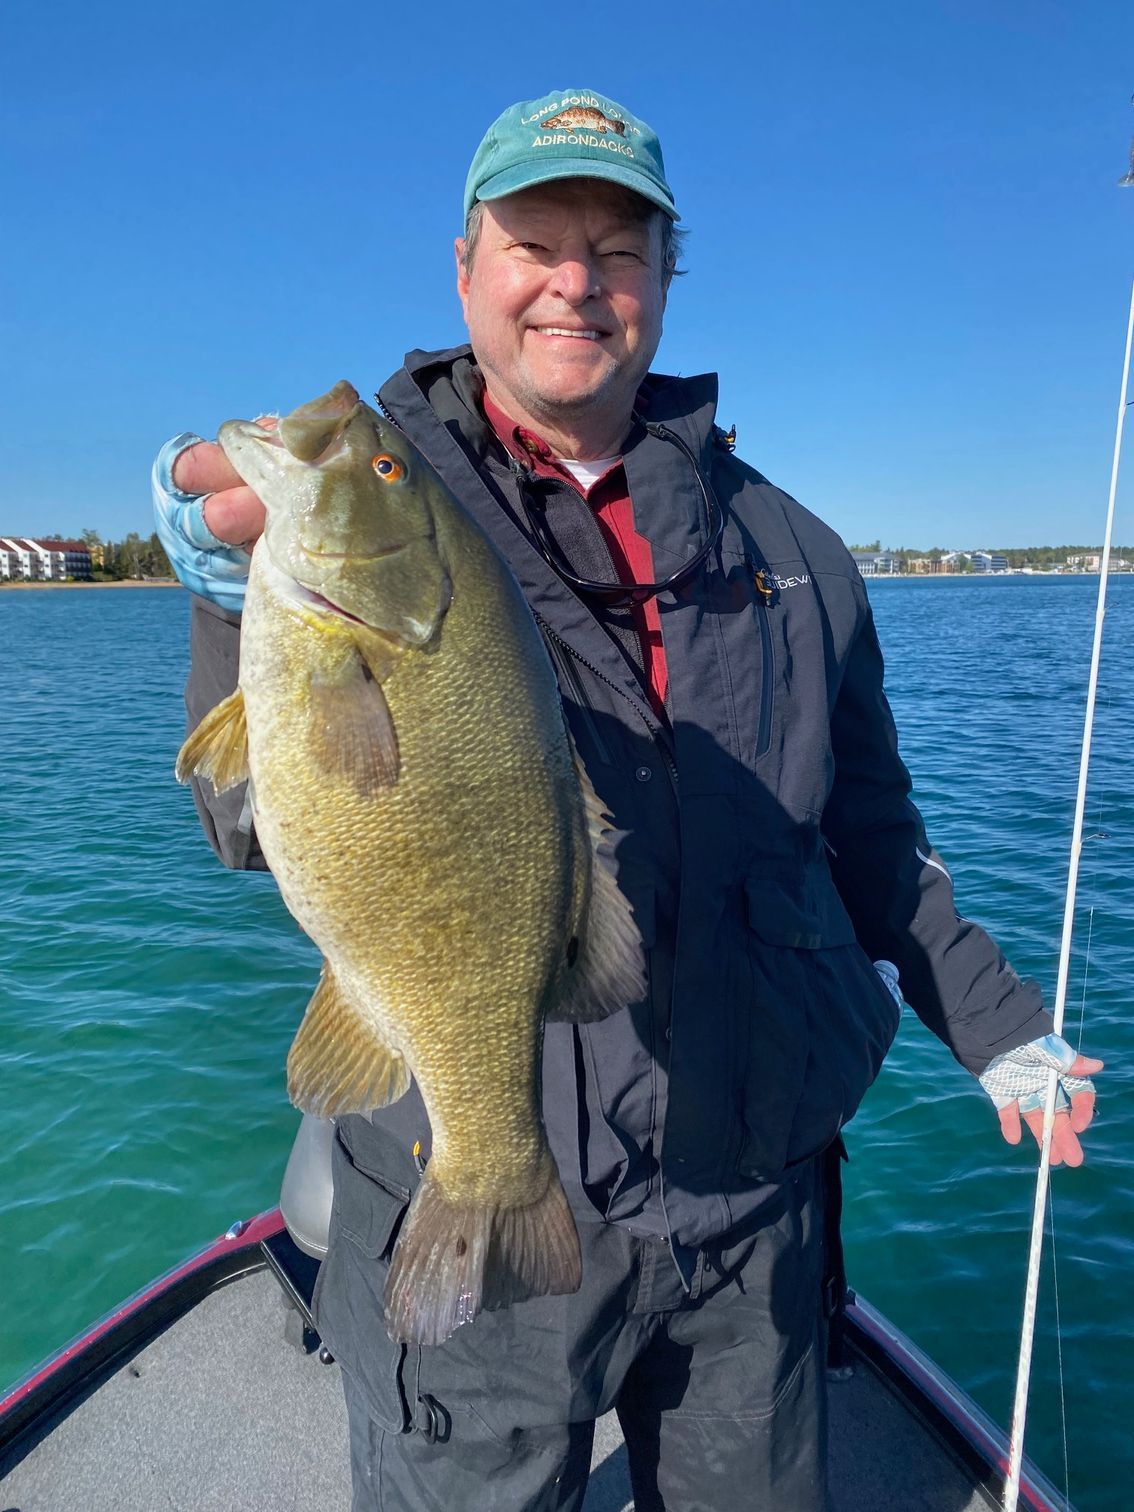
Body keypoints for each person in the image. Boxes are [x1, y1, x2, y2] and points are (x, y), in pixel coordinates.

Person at [153, 87, 1103, 1511]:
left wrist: (997, 1028)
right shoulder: (408, 508)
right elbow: (246, 822)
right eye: (534, 240)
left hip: (750, 1198)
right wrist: (231, 594)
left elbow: (871, 839)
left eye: (617, 246)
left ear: (664, 277)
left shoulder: (798, 550)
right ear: (464, 265)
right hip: (457, 1173)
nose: (574, 281)